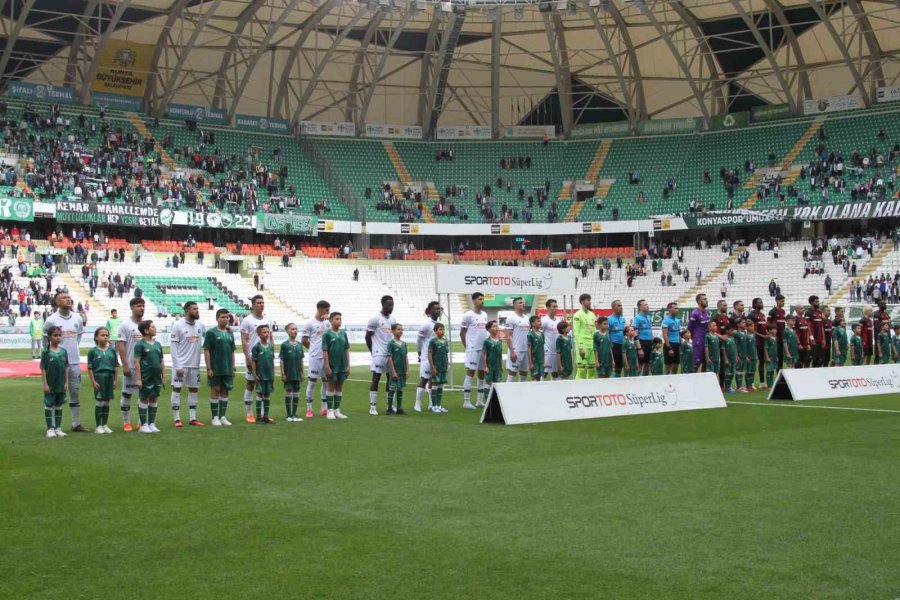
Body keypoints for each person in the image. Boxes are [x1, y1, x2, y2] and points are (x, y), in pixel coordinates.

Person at [43, 291, 89, 432]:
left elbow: (78, 337)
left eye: (69, 297)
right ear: (57, 302)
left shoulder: (77, 318)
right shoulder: (51, 319)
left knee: (74, 392)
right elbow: (46, 340)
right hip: (57, 363)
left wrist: (71, 350)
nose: (68, 299)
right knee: (55, 392)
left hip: (74, 362)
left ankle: (76, 423)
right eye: (64, 298)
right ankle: (53, 427)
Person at [170, 301, 206, 428]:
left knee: (194, 390)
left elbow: (210, 337)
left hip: (195, 365)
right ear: (187, 311)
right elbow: (173, 347)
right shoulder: (178, 325)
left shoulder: (201, 325)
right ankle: (177, 419)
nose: (197, 310)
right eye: (194, 309)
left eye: (197, 308)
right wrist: (177, 366)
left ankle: (193, 418)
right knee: (177, 389)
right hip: (181, 365)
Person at [241, 296, 272, 423]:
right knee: (251, 383)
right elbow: (244, 339)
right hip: (253, 357)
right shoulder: (247, 320)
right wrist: (247, 357)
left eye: (263, 302)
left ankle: (264, 414)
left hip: (266, 358)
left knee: (265, 385)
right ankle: (249, 413)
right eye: (259, 303)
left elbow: (271, 337)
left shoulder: (267, 320)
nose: (262, 305)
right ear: (253, 305)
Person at [116, 298, 145, 431]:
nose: (142, 308)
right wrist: (125, 365)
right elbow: (121, 345)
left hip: (144, 366)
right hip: (131, 366)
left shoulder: (146, 325)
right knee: (127, 393)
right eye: (139, 306)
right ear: (132, 308)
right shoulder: (125, 325)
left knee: (143, 394)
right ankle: (126, 422)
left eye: (143, 306)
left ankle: (141, 421)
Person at [203, 308, 235, 426]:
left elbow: (232, 351)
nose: (225, 319)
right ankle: (214, 417)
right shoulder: (211, 333)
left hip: (227, 368)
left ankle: (222, 416)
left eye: (227, 317)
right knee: (215, 390)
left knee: (225, 391)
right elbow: (206, 350)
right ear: (217, 318)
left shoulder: (229, 333)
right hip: (216, 367)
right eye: (222, 317)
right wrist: (209, 368)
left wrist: (233, 367)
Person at [365, 295, 396, 416]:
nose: (391, 307)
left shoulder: (393, 319)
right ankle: (372, 407)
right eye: (389, 304)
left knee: (390, 379)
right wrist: (372, 351)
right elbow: (368, 336)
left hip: (389, 354)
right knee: (376, 378)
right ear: (382, 304)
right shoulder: (375, 319)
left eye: (392, 304)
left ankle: (390, 405)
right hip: (378, 354)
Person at [134, 320, 164, 434]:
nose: (155, 328)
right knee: (144, 398)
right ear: (146, 331)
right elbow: (136, 361)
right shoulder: (140, 345)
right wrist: (138, 378)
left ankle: (152, 423)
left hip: (156, 376)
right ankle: (143, 424)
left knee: (154, 397)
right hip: (146, 376)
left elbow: (161, 360)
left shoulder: (157, 344)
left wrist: (163, 375)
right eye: (152, 327)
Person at [460, 292, 489, 409]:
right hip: (473, 349)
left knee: (481, 374)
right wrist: (467, 346)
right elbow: (462, 333)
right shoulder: (468, 315)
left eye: (483, 299)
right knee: (470, 373)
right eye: (479, 299)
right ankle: (466, 401)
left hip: (483, 350)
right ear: (473, 301)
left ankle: (479, 401)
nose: (482, 301)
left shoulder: (485, 314)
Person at [302, 300, 330, 418]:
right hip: (315, 358)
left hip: (326, 358)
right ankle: (309, 409)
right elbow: (304, 340)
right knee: (312, 382)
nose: (328, 313)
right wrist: (313, 349)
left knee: (326, 382)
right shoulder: (310, 323)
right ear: (320, 309)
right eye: (326, 310)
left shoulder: (328, 324)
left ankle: (324, 408)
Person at [87, 327, 117, 434]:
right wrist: (93, 381)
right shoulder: (92, 352)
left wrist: (115, 380)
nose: (105, 337)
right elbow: (90, 368)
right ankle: (98, 426)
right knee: (99, 401)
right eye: (102, 335)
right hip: (99, 377)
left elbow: (115, 367)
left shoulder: (112, 351)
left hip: (109, 377)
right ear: (96, 337)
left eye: (107, 335)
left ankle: (105, 424)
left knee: (106, 402)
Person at [41, 326, 68, 438]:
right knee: (49, 405)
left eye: (59, 335)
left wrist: (66, 382)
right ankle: (50, 429)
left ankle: (58, 428)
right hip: (51, 383)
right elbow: (43, 369)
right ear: (49, 337)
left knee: (59, 405)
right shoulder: (46, 352)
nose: (57, 337)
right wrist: (45, 384)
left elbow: (66, 367)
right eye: (55, 335)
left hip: (61, 383)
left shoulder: (63, 352)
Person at [322, 311, 350, 420]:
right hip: (332, 365)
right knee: (331, 386)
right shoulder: (327, 335)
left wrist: (348, 365)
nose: (339, 321)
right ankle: (330, 411)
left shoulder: (344, 334)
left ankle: (337, 410)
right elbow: (325, 351)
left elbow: (347, 349)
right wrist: (327, 366)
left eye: (340, 319)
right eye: (337, 319)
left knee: (339, 386)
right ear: (330, 321)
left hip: (342, 365)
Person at [415, 301, 441, 412]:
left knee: (433, 380)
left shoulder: (439, 324)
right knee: (424, 379)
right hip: (426, 356)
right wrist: (419, 353)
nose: (438, 311)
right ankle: (417, 404)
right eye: (436, 309)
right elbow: (419, 340)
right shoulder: (426, 324)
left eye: (439, 309)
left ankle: (431, 404)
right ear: (430, 311)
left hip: (436, 357)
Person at [250, 324, 276, 424]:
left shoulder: (270, 347)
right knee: (260, 394)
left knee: (267, 395)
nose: (267, 334)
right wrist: (255, 374)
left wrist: (273, 373)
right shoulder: (256, 347)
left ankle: (266, 416)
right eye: (264, 332)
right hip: (260, 375)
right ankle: (258, 417)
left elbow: (272, 361)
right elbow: (254, 361)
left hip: (269, 375)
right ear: (259, 334)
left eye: (268, 332)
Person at [280, 323, 305, 422]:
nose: (295, 331)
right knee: (289, 392)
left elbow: (301, 359)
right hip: (289, 373)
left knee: (296, 393)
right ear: (287, 331)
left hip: (297, 373)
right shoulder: (284, 345)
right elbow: (281, 360)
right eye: (292, 329)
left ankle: (294, 414)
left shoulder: (299, 345)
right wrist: (283, 373)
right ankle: (288, 414)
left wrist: (302, 372)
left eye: (296, 329)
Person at [572, 294, 596, 379]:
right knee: (581, 369)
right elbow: (576, 332)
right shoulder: (577, 315)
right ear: (582, 301)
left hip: (592, 345)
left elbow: (594, 330)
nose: (590, 302)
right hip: (583, 345)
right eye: (588, 300)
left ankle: (590, 391)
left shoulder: (592, 314)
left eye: (590, 300)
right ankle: (577, 390)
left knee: (592, 369)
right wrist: (580, 346)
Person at [387, 323, 408, 415]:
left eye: (401, 329)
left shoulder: (404, 344)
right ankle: (389, 408)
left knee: (400, 389)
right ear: (393, 331)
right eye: (398, 329)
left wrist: (407, 370)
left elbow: (406, 357)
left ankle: (399, 408)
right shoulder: (391, 344)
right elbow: (390, 358)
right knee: (392, 389)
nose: (400, 331)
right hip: (395, 371)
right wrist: (393, 371)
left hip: (402, 370)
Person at [428, 323, 450, 413]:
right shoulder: (433, 342)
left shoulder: (445, 341)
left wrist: (447, 364)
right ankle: (434, 406)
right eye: (440, 329)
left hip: (443, 368)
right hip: (436, 367)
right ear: (435, 331)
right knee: (435, 385)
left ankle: (439, 405)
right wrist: (433, 368)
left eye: (443, 329)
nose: (442, 331)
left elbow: (446, 354)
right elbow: (429, 355)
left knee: (441, 386)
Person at [540, 299, 562, 380]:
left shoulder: (558, 320)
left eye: (556, 306)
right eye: (553, 307)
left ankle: (554, 390)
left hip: (557, 351)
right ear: (548, 308)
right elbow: (539, 334)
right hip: (547, 351)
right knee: (544, 372)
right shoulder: (544, 320)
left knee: (555, 372)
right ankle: (540, 389)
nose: (556, 308)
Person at [688, 294, 710, 373]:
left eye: (706, 299)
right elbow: (690, 328)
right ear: (699, 301)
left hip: (706, 340)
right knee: (696, 363)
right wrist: (695, 339)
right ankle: (691, 382)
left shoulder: (707, 313)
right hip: (698, 341)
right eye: (704, 299)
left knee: (706, 363)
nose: (706, 300)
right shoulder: (695, 313)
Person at [482, 320, 504, 390]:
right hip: (490, 367)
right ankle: (487, 400)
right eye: (493, 326)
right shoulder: (487, 341)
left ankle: (496, 400)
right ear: (489, 330)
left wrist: (501, 365)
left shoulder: (500, 341)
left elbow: (500, 354)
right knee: (488, 382)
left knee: (498, 383)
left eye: (496, 326)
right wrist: (485, 366)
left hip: (497, 367)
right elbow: (483, 354)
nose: (496, 328)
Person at [660, 302, 681, 375]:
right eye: (675, 308)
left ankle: (673, 384)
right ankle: (665, 384)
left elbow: (678, 333)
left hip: (677, 345)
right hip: (670, 344)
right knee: (668, 368)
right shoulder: (666, 321)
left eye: (677, 308)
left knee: (676, 366)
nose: (677, 310)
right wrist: (669, 348)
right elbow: (665, 335)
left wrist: (680, 343)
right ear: (669, 309)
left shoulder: (678, 320)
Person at [608, 300, 626, 377]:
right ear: (613, 308)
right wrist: (609, 345)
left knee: (620, 365)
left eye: (621, 305)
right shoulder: (609, 319)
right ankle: (611, 381)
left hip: (622, 344)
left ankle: (617, 380)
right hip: (614, 345)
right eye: (618, 306)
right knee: (614, 365)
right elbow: (607, 333)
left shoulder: (623, 319)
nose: (621, 307)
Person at [527, 315, 544, 381]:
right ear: (533, 324)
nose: (540, 323)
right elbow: (529, 348)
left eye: (540, 321)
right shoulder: (530, 334)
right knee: (534, 378)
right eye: (538, 321)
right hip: (534, 361)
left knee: (540, 378)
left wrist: (544, 361)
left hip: (541, 361)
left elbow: (543, 347)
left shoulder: (542, 334)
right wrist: (530, 363)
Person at [722, 325, 736, 393]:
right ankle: (726, 387)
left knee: (732, 373)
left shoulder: (733, 338)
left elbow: (735, 347)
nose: (732, 331)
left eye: (733, 330)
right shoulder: (724, 338)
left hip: (733, 359)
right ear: (726, 331)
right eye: (731, 330)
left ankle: (729, 386)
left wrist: (736, 356)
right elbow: (723, 349)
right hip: (728, 359)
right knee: (727, 373)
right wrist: (726, 359)